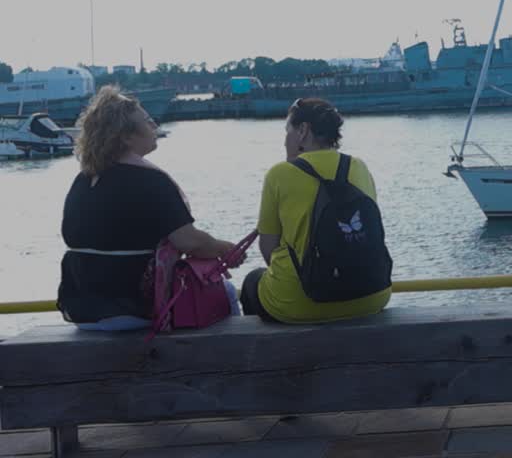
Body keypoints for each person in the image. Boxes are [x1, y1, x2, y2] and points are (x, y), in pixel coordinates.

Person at [58, 87, 242, 331]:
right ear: (125, 136)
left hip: (82, 312)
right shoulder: (150, 181)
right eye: (147, 121)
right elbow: (189, 242)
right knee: (225, 290)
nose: (154, 125)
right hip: (134, 308)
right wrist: (226, 249)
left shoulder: (83, 180)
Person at [241, 98, 392, 323]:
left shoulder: (279, 174)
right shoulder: (359, 166)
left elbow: (268, 249)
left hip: (300, 304)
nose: (284, 141)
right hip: (372, 295)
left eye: (287, 130)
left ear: (303, 130)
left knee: (251, 282)